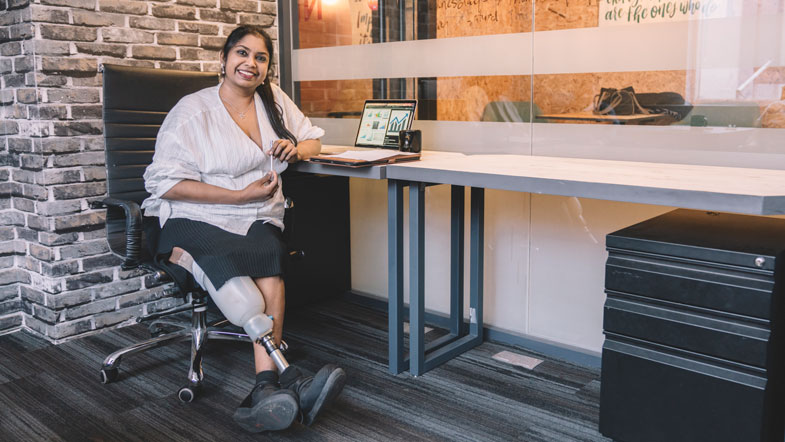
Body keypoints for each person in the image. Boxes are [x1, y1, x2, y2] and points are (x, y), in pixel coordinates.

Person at [141, 25, 345, 432]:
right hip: (195, 215)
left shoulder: (274, 101)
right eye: (241, 53)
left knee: (269, 258)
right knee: (238, 288)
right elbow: (163, 183)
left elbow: (313, 141)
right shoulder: (192, 112)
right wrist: (236, 197)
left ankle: (265, 387)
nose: (250, 63)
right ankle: (285, 380)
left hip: (257, 216)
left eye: (261, 57)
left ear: (267, 68)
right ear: (224, 59)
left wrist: (296, 148)